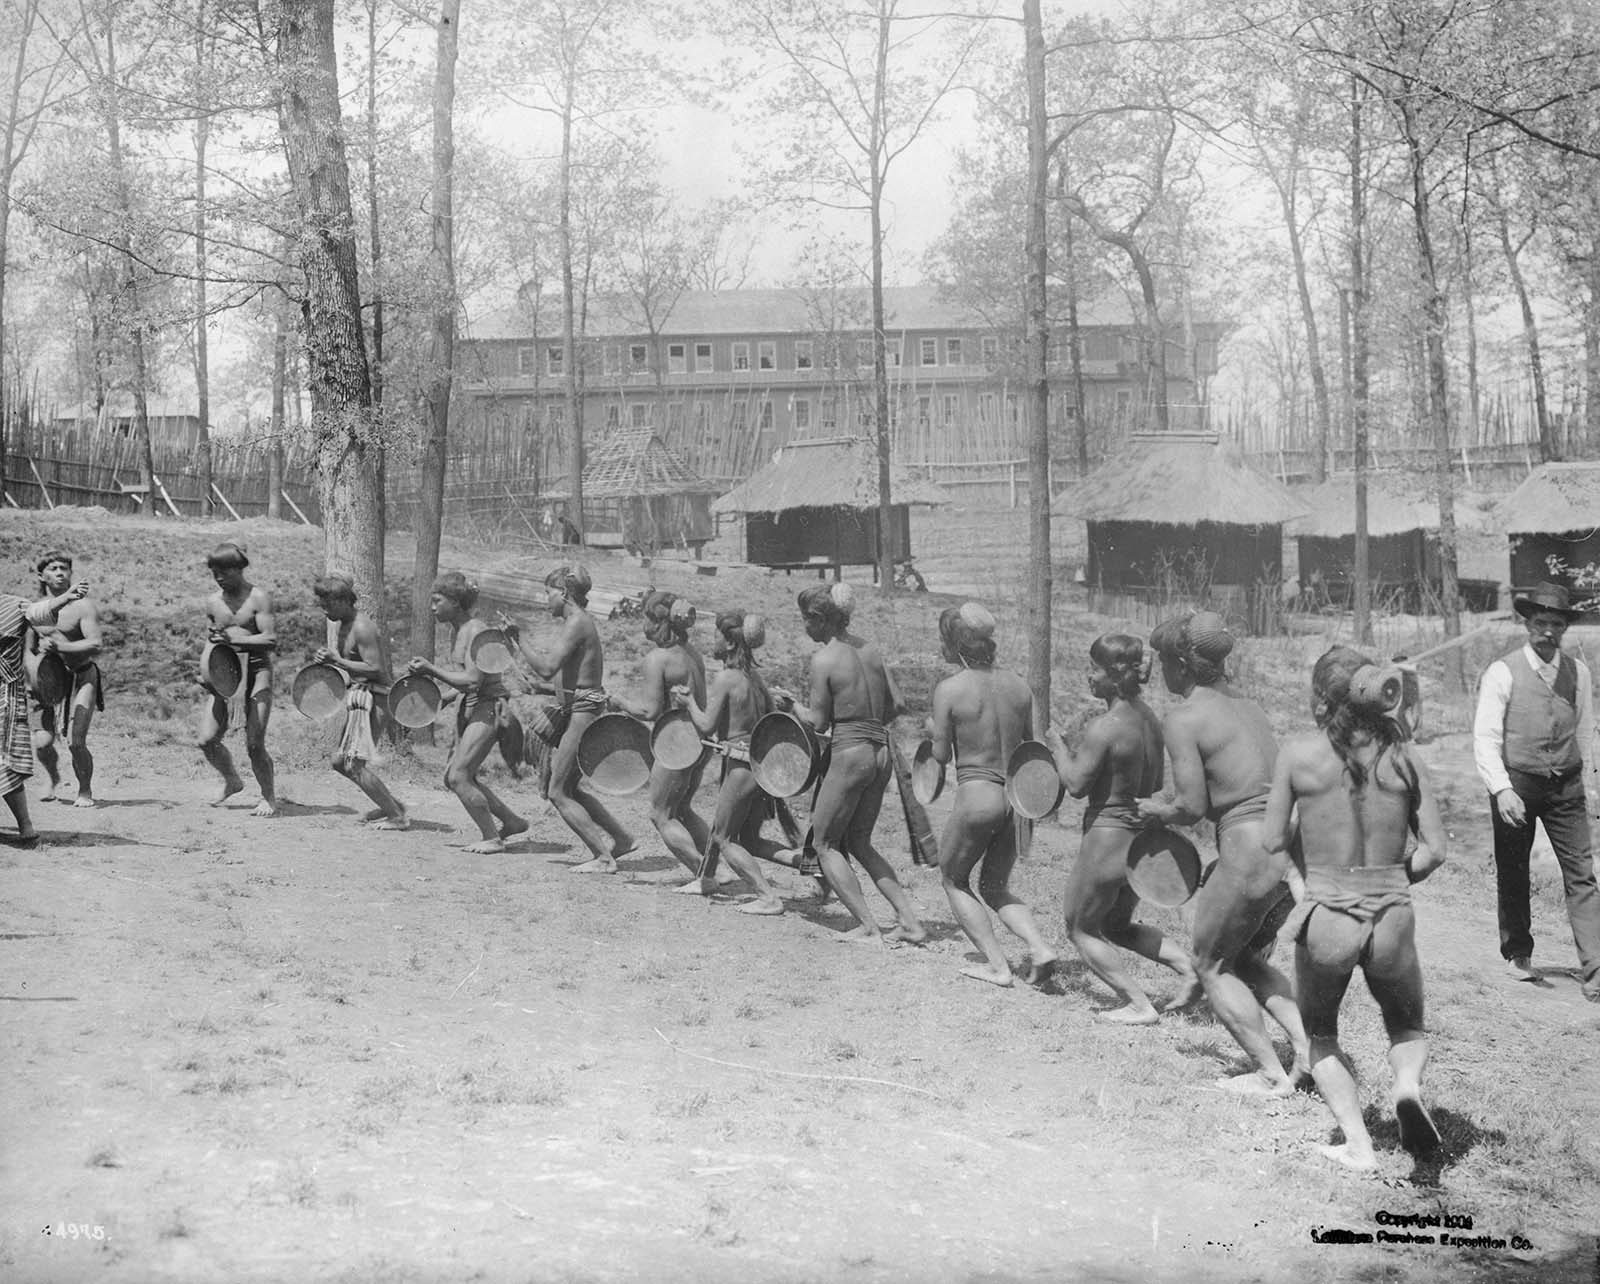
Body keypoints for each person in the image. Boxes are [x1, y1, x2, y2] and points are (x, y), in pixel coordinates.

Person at [1265, 647, 1448, 1169]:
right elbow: (1435, 850)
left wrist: (1307, 884)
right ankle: (1407, 1087)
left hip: (1327, 915)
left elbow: (1273, 839)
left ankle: (1359, 1146)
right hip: (1392, 913)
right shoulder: (1405, 758)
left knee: (1321, 1034)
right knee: (1406, 1025)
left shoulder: (1298, 755)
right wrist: (1390, 877)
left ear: (1322, 698)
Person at [1137, 611, 1311, 1095]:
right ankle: (1308, 1051)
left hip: (1250, 847)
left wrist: (1155, 810)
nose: (1161, 674)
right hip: (1292, 852)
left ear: (1182, 665)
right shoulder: (1249, 706)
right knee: (1248, 960)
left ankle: (1269, 1074)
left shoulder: (1184, 718)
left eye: (1162, 662)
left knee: (1211, 965)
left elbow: (1191, 806)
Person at [1046, 634, 1198, 1021]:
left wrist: (1058, 748)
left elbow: (1077, 785)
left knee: (1078, 927)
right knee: (1116, 924)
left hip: (1107, 836)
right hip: (1141, 839)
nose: (1088, 676)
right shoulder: (1150, 719)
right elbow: (1153, 783)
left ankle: (1138, 1004)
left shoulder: (1105, 727)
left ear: (1114, 676)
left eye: (1094, 669)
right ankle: (1188, 968)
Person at [1472, 582, 1600, 1001]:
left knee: (1582, 874)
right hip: (1518, 784)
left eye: (1557, 625)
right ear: (1527, 624)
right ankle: (1518, 955)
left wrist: (1587, 783)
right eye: (1541, 622)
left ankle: (1595, 966)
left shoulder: (1577, 673)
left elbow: (1584, 730)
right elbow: (1486, 738)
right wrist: (1502, 790)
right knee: (1514, 870)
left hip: (1566, 786)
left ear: (1565, 629)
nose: (1548, 631)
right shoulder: (1503, 671)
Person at [783, 582, 926, 946]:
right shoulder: (872, 651)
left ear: (819, 619)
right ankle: (910, 922)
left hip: (850, 752)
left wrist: (791, 707)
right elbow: (897, 704)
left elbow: (816, 722)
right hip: (880, 751)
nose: (804, 627)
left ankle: (867, 925)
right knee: (860, 841)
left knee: (824, 842)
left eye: (805, 620)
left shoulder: (825, 659)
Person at [927, 602, 1057, 986]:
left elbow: (938, 755)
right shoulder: (1018, 685)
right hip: (1017, 798)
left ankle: (998, 966)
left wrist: (933, 727)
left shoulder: (950, 689)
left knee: (953, 878)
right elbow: (1032, 748)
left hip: (978, 793)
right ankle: (1040, 946)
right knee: (996, 886)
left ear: (955, 644)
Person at [674, 610, 805, 915]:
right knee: (748, 838)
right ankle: (707, 877)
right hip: (760, 766)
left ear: (731, 643)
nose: (713, 641)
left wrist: (688, 702)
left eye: (717, 634)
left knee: (722, 836)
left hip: (741, 766)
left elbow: (706, 725)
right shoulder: (755, 679)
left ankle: (767, 896)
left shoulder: (727, 678)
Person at [508, 563, 635, 872]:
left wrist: (519, 637)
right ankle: (622, 839)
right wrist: (540, 687)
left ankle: (603, 858)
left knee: (557, 791)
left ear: (563, 593)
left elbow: (548, 667)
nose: (545, 600)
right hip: (578, 710)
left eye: (548, 593)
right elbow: (568, 676)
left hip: (583, 715)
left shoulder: (577, 622)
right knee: (570, 789)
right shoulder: (577, 623)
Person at [607, 590, 722, 892]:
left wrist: (619, 701)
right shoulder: (692, 653)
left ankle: (702, 873)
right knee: (682, 808)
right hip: (701, 739)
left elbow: (650, 710)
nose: (644, 625)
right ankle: (712, 868)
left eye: (647, 617)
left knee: (660, 814)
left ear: (662, 622)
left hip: (677, 743)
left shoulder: (657, 659)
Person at [407, 572, 527, 853]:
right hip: (474, 706)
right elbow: (467, 680)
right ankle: (511, 821)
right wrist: (445, 698)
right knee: (455, 776)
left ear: (456, 603)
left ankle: (492, 838)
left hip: (490, 709)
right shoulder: (456, 630)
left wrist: (430, 669)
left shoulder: (475, 630)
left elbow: (474, 681)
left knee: (459, 776)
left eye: (437, 601)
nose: (432, 607)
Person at [312, 573, 407, 831]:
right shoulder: (343, 624)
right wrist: (328, 660)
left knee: (354, 763)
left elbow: (375, 668)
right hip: (359, 695)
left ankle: (397, 817)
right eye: (321, 604)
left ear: (343, 600)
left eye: (328, 604)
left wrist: (338, 661)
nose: (324, 610)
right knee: (339, 762)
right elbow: (349, 663)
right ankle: (392, 804)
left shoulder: (362, 627)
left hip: (376, 696)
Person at [1, 573, 90, 842]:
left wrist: (64, 598)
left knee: (4, 764)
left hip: (3, 697)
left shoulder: (13, 605)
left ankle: (26, 827)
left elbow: (39, 611)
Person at [200, 541, 279, 817]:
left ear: (239, 569)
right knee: (207, 739)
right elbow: (212, 642)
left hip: (258, 671)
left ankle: (268, 797)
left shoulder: (259, 597)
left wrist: (233, 637)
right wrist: (206, 671)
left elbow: (270, 639)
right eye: (214, 573)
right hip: (226, 675)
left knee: (254, 743)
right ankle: (232, 780)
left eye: (225, 572)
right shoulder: (212, 601)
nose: (219, 578)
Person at [29, 550, 104, 808]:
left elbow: (96, 644)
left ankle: (84, 791)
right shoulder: (36, 610)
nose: (60, 572)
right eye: (53, 568)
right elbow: (28, 651)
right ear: (41, 575)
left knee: (76, 742)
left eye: (64, 568)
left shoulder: (82, 606)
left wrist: (61, 648)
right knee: (42, 742)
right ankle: (53, 777)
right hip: (47, 679)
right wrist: (33, 679)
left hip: (82, 676)